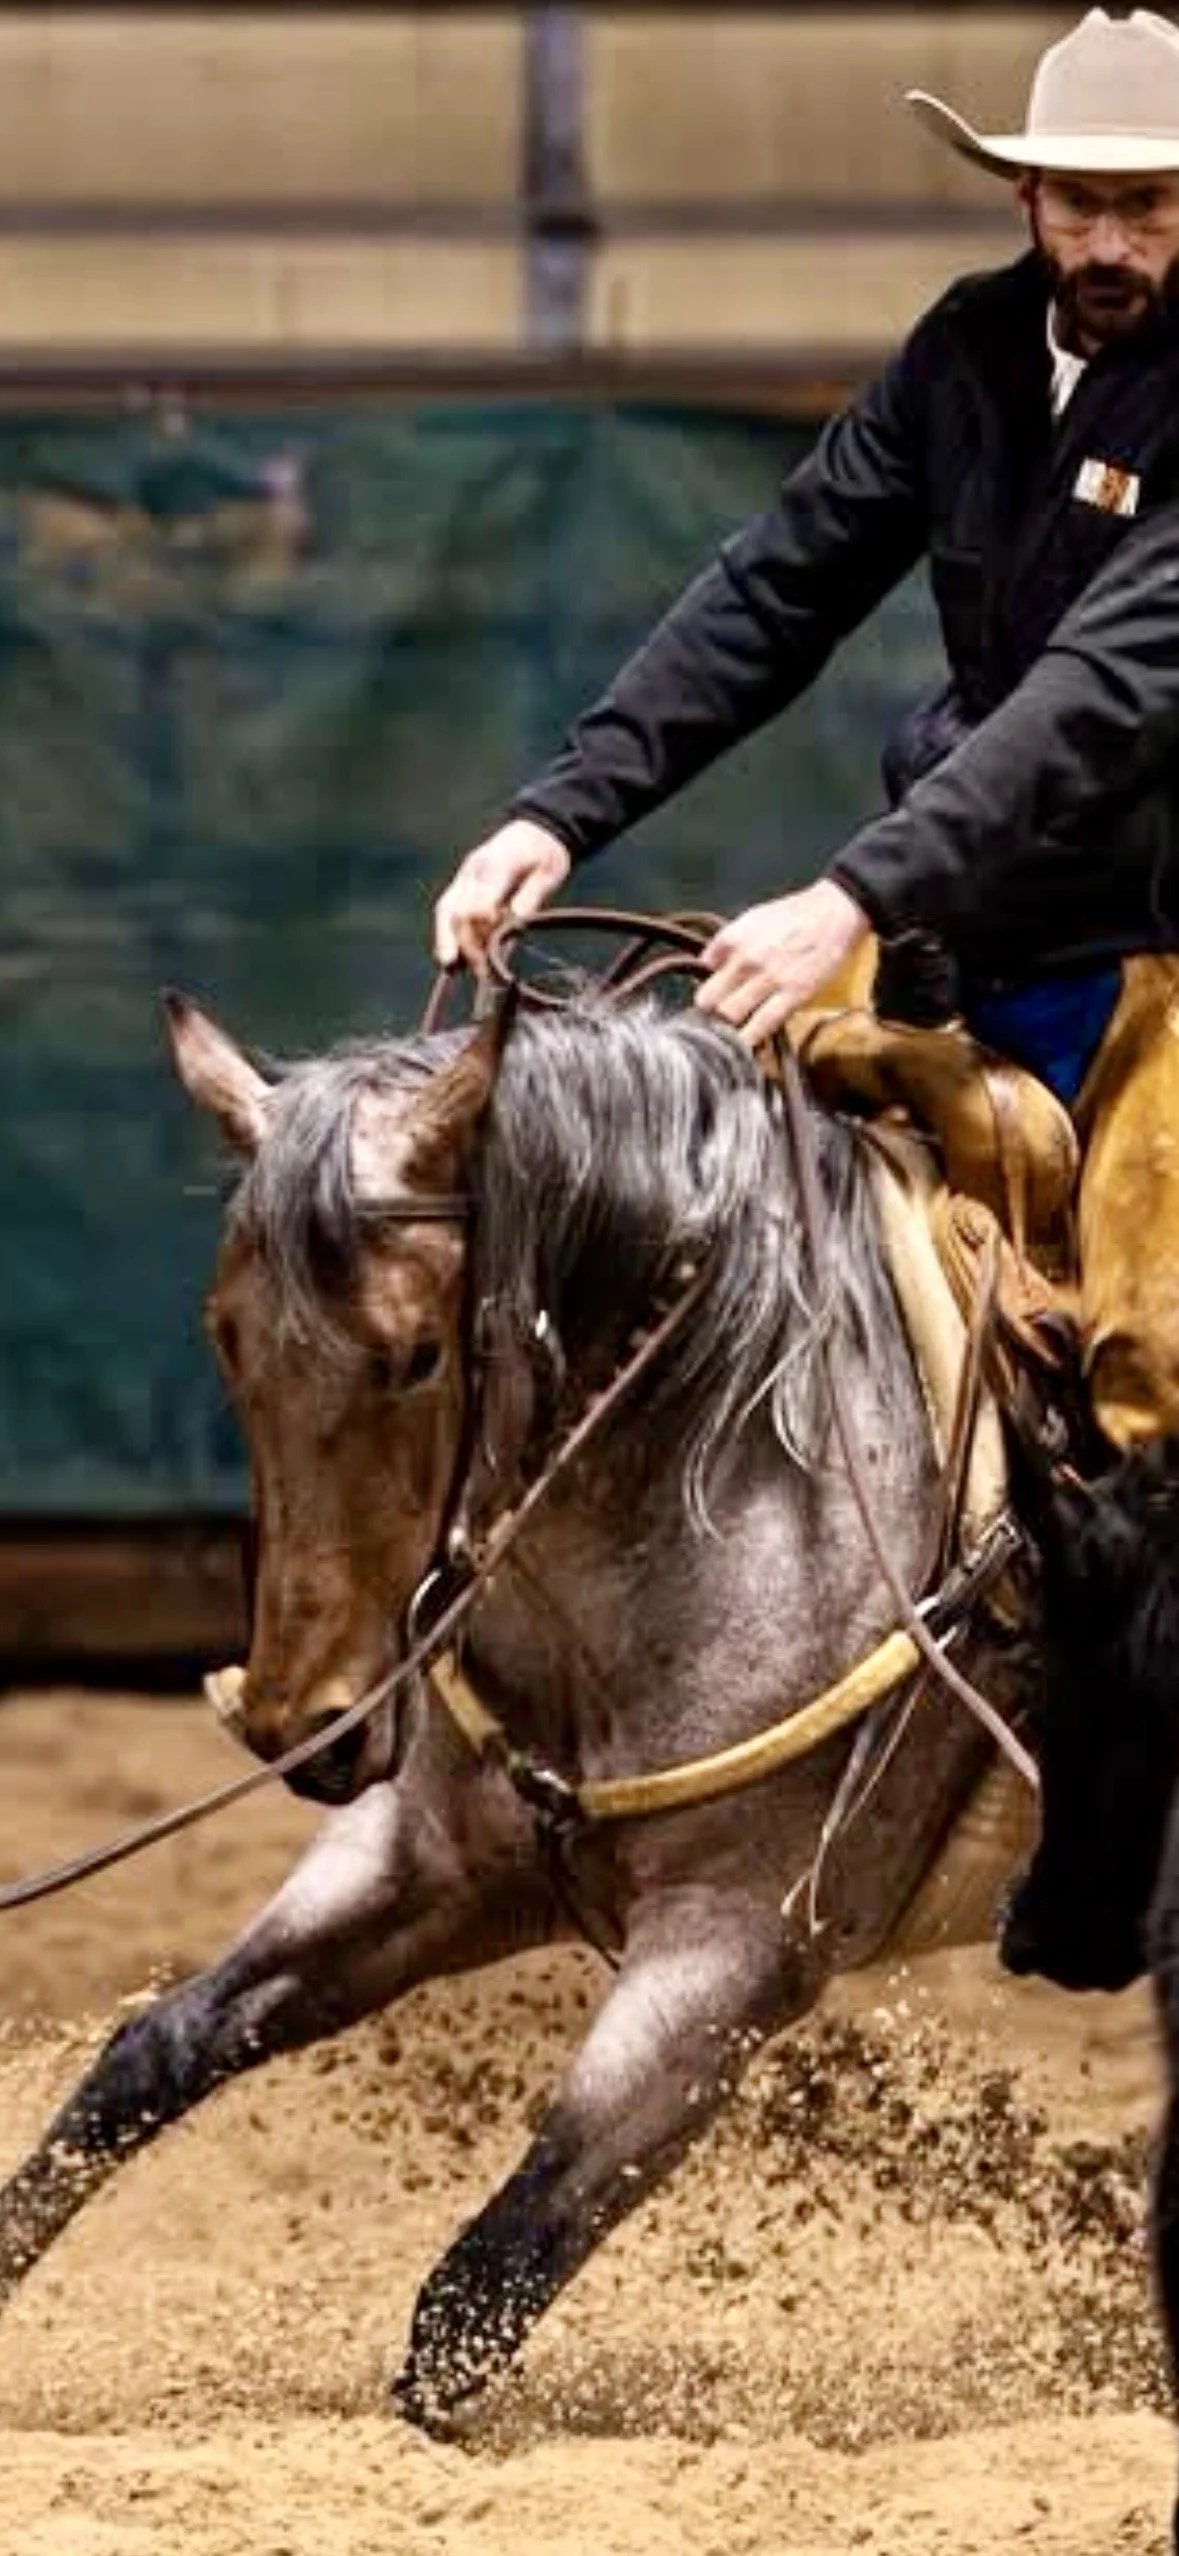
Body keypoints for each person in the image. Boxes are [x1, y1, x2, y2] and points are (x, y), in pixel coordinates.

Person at [433, 10, 1179, 1978]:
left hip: (1158, 971)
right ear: (1025, 194)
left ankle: (1103, 1866)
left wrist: (844, 885)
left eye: (1149, 206)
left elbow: (1098, 704)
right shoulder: (959, 353)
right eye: (1081, 199)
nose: (1108, 239)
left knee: (1153, 1384)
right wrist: (557, 813)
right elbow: (774, 584)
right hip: (960, 941)